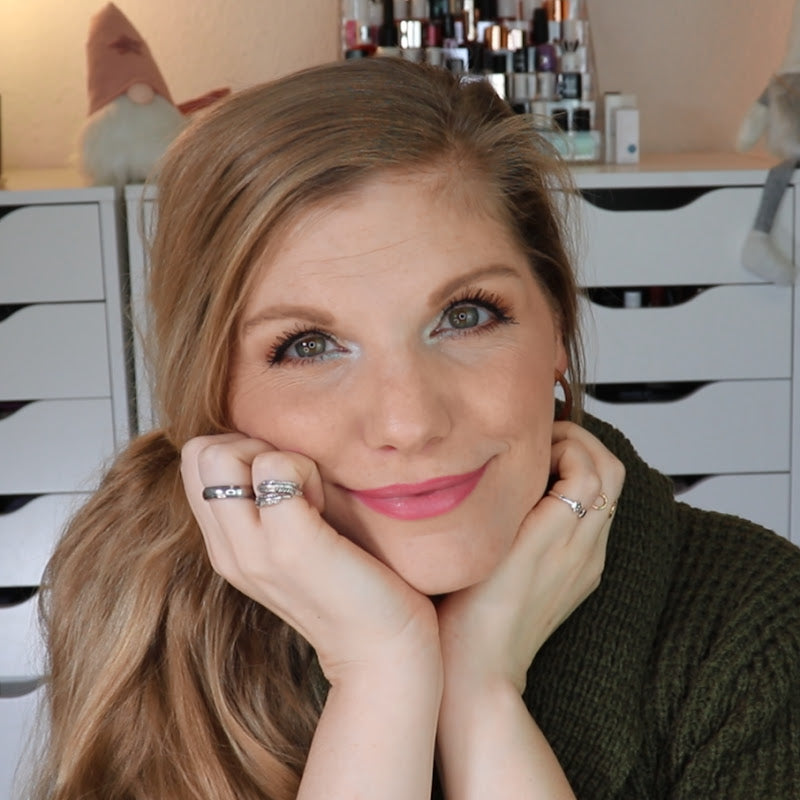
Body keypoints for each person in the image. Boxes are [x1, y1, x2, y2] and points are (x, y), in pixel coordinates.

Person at [30, 57, 800, 800]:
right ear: (216, 393)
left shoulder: (756, 622)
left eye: (465, 316)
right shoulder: (141, 598)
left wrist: (482, 693)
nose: (409, 421)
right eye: (309, 346)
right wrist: (382, 669)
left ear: (557, 328)